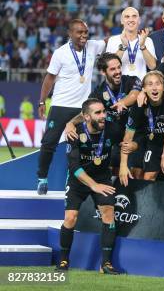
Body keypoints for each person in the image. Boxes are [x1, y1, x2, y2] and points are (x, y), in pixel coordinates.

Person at [37, 19, 107, 195]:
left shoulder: (92, 46)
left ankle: (77, 181)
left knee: (81, 145)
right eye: (79, 32)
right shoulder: (60, 53)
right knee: (48, 143)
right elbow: (49, 79)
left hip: (82, 109)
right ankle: (42, 178)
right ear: (70, 34)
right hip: (61, 105)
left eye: (86, 32)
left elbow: (108, 41)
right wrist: (41, 101)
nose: (84, 36)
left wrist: (129, 30)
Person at [57, 98, 120, 274]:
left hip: (102, 177)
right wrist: (94, 186)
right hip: (79, 180)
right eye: (98, 113)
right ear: (85, 117)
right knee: (71, 217)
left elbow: (127, 142)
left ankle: (106, 264)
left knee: (108, 213)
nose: (103, 116)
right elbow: (74, 168)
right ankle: (63, 261)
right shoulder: (74, 134)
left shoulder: (112, 129)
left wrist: (130, 149)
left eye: (103, 112)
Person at [63, 53, 142, 177]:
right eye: (112, 69)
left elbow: (134, 95)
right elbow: (86, 113)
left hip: (135, 135)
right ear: (103, 72)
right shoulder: (99, 92)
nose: (117, 72)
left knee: (137, 174)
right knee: (116, 174)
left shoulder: (132, 80)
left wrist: (122, 102)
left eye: (119, 67)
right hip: (115, 137)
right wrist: (71, 123)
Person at [119, 71, 164, 183]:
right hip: (153, 143)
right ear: (143, 89)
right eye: (150, 84)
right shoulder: (139, 105)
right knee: (147, 177)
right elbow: (128, 136)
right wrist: (123, 165)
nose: (154, 88)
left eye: (158, 84)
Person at [106, 7, 157, 80]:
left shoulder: (147, 40)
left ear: (139, 20)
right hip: (119, 86)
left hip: (141, 86)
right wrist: (123, 46)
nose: (131, 20)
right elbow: (110, 66)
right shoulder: (112, 40)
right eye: (127, 17)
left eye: (134, 16)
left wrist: (142, 46)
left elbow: (152, 66)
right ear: (122, 21)